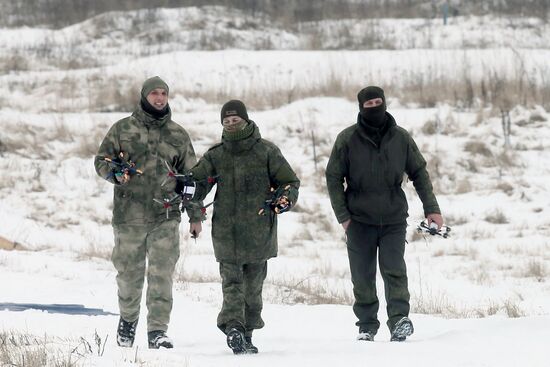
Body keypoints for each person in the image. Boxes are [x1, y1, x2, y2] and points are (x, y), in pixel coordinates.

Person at [325, 86, 443, 342]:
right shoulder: (347, 139)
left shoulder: (400, 138)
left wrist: (432, 209)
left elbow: (420, 173)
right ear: (360, 107)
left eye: (378, 102)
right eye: (369, 104)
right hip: (358, 219)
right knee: (362, 276)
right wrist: (343, 216)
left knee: (394, 269)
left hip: (393, 218)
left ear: (385, 103)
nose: (374, 107)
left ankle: (399, 319)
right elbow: (333, 177)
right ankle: (367, 325)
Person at [94, 76, 203, 349]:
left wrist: (196, 216)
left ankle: (157, 331)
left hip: (165, 217)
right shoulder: (122, 129)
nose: (159, 98)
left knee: (161, 275)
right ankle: (128, 323)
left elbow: (192, 178)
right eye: (154, 93)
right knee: (129, 274)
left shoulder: (178, 135)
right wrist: (116, 174)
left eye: (163, 93)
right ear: (145, 96)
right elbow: (101, 161)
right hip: (128, 216)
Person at [190, 100, 300, 354]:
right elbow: (196, 187)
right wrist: (187, 195)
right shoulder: (216, 155)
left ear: (246, 120)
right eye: (226, 122)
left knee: (253, 289)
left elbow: (289, 182)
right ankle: (234, 329)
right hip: (226, 232)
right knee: (231, 284)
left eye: (235, 120)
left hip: (259, 231)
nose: (231, 124)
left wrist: (284, 200)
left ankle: (246, 334)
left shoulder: (267, 152)